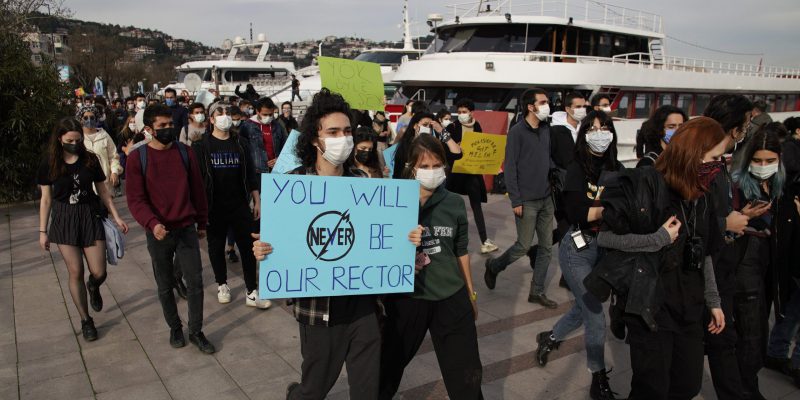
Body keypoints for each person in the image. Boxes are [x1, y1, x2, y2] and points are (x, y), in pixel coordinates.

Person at [251, 89, 422, 399]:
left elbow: (384, 239)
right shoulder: (292, 185)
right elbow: (277, 242)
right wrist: (263, 251)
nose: (343, 139)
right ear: (315, 138)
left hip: (364, 308)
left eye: (347, 131)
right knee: (315, 389)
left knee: (367, 390)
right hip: (320, 312)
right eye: (333, 132)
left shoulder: (366, 184)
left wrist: (406, 241)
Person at [586, 117, 726, 400]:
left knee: (687, 385)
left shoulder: (703, 195)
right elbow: (607, 238)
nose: (719, 165)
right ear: (692, 154)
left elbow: (706, 252)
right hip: (650, 306)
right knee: (652, 389)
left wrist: (713, 300)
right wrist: (657, 239)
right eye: (714, 157)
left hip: (690, 305)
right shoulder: (647, 185)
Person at [379, 133, 483, 399]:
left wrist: (470, 293)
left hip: (451, 296)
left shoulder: (454, 202)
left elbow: (461, 251)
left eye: (437, 165)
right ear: (411, 168)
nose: (431, 172)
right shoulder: (392, 201)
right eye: (424, 166)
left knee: (467, 377)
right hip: (406, 298)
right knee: (386, 370)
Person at [535, 110, 623, 400]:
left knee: (585, 305)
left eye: (604, 128)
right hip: (577, 250)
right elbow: (578, 213)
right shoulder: (576, 168)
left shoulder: (619, 169)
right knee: (595, 314)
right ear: (584, 134)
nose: (599, 134)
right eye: (592, 128)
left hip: (605, 248)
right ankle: (598, 381)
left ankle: (550, 337)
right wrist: (611, 209)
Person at [125, 104, 215, 354]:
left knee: (195, 282)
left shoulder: (185, 153)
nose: (168, 130)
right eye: (161, 126)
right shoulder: (137, 158)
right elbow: (135, 199)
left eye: (170, 125)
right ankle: (175, 327)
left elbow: (198, 190)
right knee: (164, 284)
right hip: (158, 231)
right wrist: (152, 224)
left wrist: (201, 222)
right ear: (149, 129)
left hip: (186, 227)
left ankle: (196, 331)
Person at [37, 117, 129, 342]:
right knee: (75, 271)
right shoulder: (49, 163)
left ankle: (94, 285)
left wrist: (116, 216)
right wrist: (42, 231)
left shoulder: (90, 160)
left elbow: (103, 190)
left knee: (99, 271)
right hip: (64, 218)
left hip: (89, 215)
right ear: (60, 139)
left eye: (78, 140)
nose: (75, 144)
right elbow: (46, 200)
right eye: (70, 140)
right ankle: (86, 320)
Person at [484, 88, 558, 309]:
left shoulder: (547, 129)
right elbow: (510, 168)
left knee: (546, 248)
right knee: (523, 245)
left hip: (547, 199)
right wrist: (515, 200)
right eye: (543, 102)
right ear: (530, 106)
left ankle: (537, 291)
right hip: (526, 201)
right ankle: (494, 266)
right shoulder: (517, 132)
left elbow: (548, 159)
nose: (548, 105)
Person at [730, 125, 788, 399]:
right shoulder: (736, 184)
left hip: (769, 264)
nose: (763, 166)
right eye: (757, 160)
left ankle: (746, 384)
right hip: (744, 262)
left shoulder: (779, 184)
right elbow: (723, 229)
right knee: (751, 334)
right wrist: (741, 215)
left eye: (769, 161)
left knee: (759, 329)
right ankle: (746, 390)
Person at [191, 102, 268, 308]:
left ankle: (252, 290)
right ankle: (222, 284)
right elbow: (197, 180)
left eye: (228, 112)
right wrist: (199, 210)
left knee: (248, 247)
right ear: (211, 119)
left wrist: (257, 200)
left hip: (240, 204)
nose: (225, 116)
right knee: (215, 247)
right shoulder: (201, 145)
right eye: (220, 113)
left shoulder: (241, 143)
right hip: (214, 206)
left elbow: (250, 173)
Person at [444, 98, 499, 254]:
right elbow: (446, 147)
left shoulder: (477, 126)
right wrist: (456, 148)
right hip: (456, 172)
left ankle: (484, 240)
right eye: (459, 112)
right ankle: (449, 240)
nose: (461, 114)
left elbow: (482, 147)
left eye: (464, 112)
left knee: (476, 206)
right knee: (451, 206)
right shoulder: (452, 126)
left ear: (471, 112)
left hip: (472, 172)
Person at [392, 112, 461, 180]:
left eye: (430, 126)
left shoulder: (434, 146)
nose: (428, 128)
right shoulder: (405, 146)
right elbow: (397, 174)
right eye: (425, 125)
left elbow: (457, 153)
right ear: (415, 126)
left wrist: (442, 132)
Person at [76, 105, 124, 194]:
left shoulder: (104, 136)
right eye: (85, 118)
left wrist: (114, 172)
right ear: (81, 120)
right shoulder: (78, 138)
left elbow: (113, 157)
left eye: (92, 117)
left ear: (96, 118)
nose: (89, 120)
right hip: (86, 187)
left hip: (105, 185)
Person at [240, 97, 288, 174]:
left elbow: (285, 146)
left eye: (270, 114)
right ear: (257, 111)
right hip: (256, 171)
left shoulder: (278, 126)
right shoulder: (247, 126)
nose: (268, 117)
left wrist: (280, 159)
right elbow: (242, 149)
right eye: (265, 114)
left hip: (276, 170)